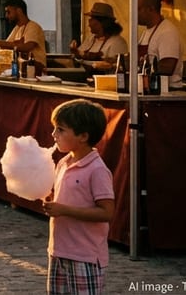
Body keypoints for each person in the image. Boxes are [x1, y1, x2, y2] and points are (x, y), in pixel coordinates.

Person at [43, 99, 115, 295]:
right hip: (58, 252)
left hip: (85, 256)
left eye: (60, 130)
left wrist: (64, 210)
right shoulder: (63, 163)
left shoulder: (97, 170)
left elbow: (107, 212)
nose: (53, 134)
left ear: (83, 136)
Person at [0, 0, 47, 74]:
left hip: (36, 72)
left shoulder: (34, 27)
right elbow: (7, 45)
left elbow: (27, 47)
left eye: (8, 12)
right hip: (21, 71)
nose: (6, 16)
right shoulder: (17, 28)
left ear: (19, 11)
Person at [137, 0, 184, 89]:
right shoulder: (146, 32)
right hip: (150, 89)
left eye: (139, 9)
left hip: (167, 92)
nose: (134, 13)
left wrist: (142, 67)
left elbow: (168, 66)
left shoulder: (167, 31)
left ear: (151, 9)